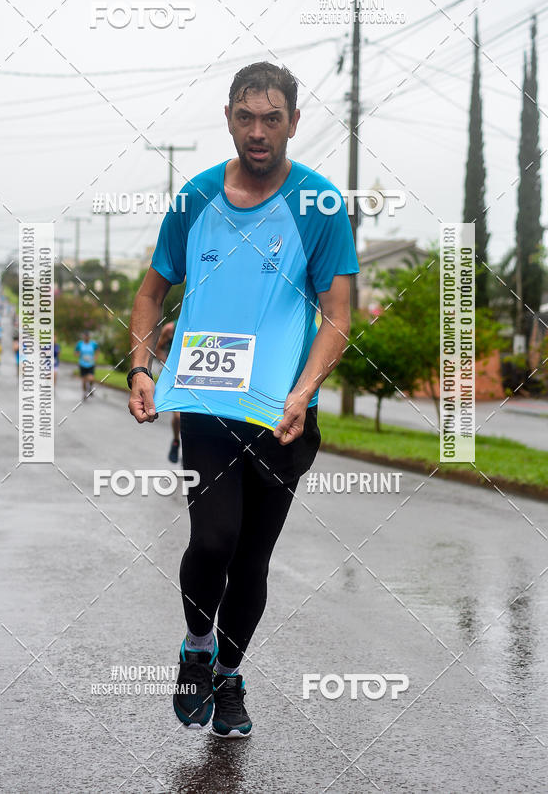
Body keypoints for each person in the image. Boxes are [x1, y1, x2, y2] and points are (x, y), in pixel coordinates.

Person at [128, 62, 358, 738]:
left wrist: (304, 389)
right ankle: (196, 649)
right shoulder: (196, 198)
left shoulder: (319, 205)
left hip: (284, 415)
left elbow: (338, 313)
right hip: (205, 406)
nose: (259, 133)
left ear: (293, 119)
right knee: (215, 537)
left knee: (252, 560)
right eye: (246, 117)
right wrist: (140, 366)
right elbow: (150, 292)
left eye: (273, 118)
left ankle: (229, 674)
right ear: (228, 116)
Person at [155, 320, 181, 463]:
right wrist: (168, 366)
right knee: (178, 417)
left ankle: (191, 451)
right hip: (176, 378)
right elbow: (158, 349)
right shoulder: (171, 328)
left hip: (198, 379)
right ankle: (176, 441)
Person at [75, 331, 99, 398]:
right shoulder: (80, 344)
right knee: (84, 380)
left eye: (88, 336)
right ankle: (84, 393)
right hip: (82, 364)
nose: (86, 338)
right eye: (85, 336)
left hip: (91, 364)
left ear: (89, 337)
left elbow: (97, 350)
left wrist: (95, 357)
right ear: (84, 337)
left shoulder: (93, 344)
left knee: (91, 378)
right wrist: (78, 354)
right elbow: (76, 353)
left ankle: (90, 387)